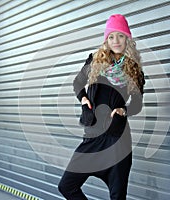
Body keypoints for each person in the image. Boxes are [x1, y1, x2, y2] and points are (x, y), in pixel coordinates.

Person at [58, 14, 145, 200]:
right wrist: (83, 99)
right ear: (106, 39)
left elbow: (137, 104)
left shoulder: (135, 69)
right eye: (111, 36)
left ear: (127, 38)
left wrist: (124, 110)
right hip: (93, 136)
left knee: (117, 196)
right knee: (67, 186)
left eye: (120, 36)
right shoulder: (95, 61)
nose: (116, 41)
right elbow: (77, 83)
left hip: (117, 140)